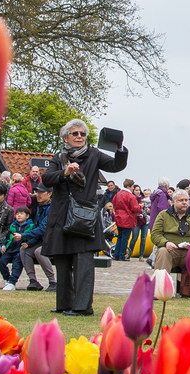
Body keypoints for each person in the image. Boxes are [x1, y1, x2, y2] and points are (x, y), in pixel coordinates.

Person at [39, 119, 127, 315]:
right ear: (65, 137)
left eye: (82, 134)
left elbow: (115, 166)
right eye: (75, 134)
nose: (79, 137)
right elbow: (46, 179)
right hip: (62, 215)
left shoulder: (93, 154)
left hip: (83, 216)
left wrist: (120, 149)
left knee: (83, 264)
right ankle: (64, 304)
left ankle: (82, 307)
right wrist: (65, 172)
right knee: (62, 261)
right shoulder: (58, 158)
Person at [149, 188, 190, 296]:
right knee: (162, 252)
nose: (184, 202)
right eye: (181, 200)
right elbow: (155, 234)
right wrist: (166, 243)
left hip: (189, 252)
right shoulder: (163, 215)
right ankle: (160, 291)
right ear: (173, 202)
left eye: (186, 200)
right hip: (171, 251)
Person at [110, 181, 142, 260]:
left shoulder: (117, 194)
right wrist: (140, 206)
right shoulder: (130, 196)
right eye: (132, 187)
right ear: (129, 186)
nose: (133, 188)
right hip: (127, 218)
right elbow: (135, 208)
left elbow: (113, 203)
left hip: (118, 217)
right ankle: (122, 255)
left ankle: (116, 254)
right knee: (125, 237)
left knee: (120, 236)